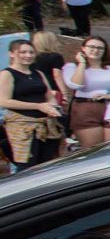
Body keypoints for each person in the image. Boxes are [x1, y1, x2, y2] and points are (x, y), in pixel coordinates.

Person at [0, 39, 63, 169]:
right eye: (23, 52)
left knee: (47, 164)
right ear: (12, 54)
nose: (28, 55)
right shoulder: (7, 74)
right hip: (21, 125)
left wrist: (52, 106)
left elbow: (49, 96)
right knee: (28, 166)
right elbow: (4, 101)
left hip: (46, 123)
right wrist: (38, 106)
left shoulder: (38, 73)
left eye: (31, 52)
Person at [64, 35, 110, 148]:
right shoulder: (72, 66)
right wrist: (82, 63)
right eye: (92, 47)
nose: (96, 50)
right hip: (85, 108)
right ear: (83, 48)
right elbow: (75, 84)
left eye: (100, 48)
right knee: (94, 149)